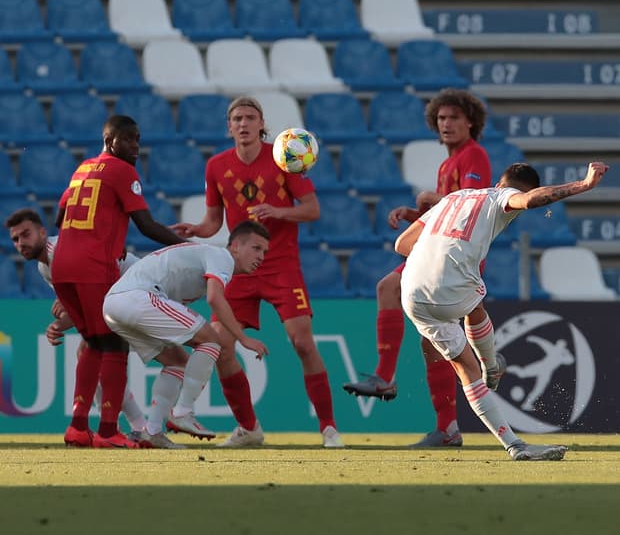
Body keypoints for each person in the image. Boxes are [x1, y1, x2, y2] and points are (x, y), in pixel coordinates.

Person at [395, 161, 609, 460]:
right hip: (449, 286)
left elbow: (402, 244)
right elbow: (530, 200)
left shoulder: (453, 198)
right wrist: (583, 185)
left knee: (467, 364)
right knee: (473, 298)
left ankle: (514, 442)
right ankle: (493, 367)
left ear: (498, 181)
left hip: (411, 292)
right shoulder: (502, 198)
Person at [173, 96, 344, 448]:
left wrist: (279, 212)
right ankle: (249, 428)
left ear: (262, 124)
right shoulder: (216, 166)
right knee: (219, 344)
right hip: (238, 268)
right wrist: (196, 230)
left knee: (302, 342)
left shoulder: (284, 159)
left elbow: (312, 209)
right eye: (237, 118)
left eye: (250, 117)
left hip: (281, 265)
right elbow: (213, 222)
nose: (243, 123)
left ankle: (329, 428)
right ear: (229, 126)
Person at [343, 89, 492, 449]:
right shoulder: (447, 164)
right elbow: (443, 217)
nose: (446, 124)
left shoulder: (474, 156)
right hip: (439, 252)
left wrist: (431, 200)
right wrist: (414, 214)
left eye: (454, 117)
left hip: (456, 258)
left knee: (388, 288)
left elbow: (471, 207)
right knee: (431, 342)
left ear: (470, 121)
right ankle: (448, 428)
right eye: (441, 118)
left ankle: (386, 377)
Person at [51, 115, 187, 449]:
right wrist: (186, 247)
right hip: (93, 266)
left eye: (138, 139)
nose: (136, 147)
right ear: (110, 141)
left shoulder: (82, 168)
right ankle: (109, 431)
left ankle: (78, 427)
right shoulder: (123, 171)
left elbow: (60, 217)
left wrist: (104, 229)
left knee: (93, 343)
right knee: (114, 344)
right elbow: (146, 225)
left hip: (62, 264)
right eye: (129, 139)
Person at [104, 221, 271, 449]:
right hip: (138, 297)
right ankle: (183, 411)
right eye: (256, 248)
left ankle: (152, 431)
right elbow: (214, 298)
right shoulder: (222, 257)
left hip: (114, 305)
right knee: (212, 340)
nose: (261, 257)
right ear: (235, 246)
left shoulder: (201, 259)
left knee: (178, 362)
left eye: (265, 252)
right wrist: (243, 339)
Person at [5, 208, 151, 442]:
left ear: (42, 232)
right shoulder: (45, 267)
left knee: (97, 351)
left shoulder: (60, 252)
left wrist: (61, 321)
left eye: (26, 234)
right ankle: (135, 427)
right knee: (93, 352)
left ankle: (137, 427)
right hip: (117, 297)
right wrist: (59, 322)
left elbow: (85, 303)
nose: (21, 243)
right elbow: (79, 307)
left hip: (139, 289)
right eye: (15, 239)